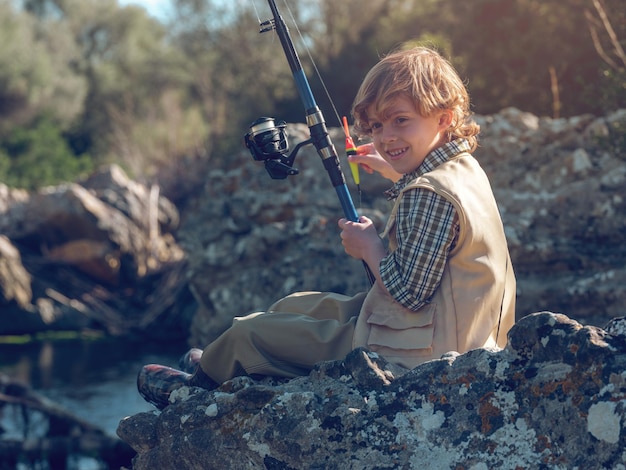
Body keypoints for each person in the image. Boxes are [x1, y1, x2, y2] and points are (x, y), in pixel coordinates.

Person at [137, 46, 516, 409]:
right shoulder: (464, 170)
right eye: (378, 126)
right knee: (294, 305)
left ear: (444, 117)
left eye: (402, 120)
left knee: (248, 332)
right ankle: (221, 364)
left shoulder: (428, 193)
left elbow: (409, 294)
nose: (386, 138)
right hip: (465, 338)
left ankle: (196, 389)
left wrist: (369, 246)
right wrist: (396, 167)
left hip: (419, 356)